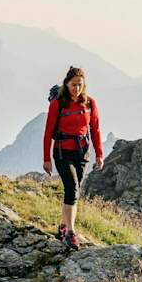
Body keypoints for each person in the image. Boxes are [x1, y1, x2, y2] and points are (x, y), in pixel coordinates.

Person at [41, 66, 104, 249]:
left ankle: (63, 225)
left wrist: (99, 154)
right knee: (72, 188)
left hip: (82, 153)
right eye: (74, 85)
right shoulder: (57, 105)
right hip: (62, 152)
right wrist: (47, 159)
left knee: (73, 192)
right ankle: (70, 232)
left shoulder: (90, 103)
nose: (77, 88)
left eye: (80, 85)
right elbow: (47, 133)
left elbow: (96, 129)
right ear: (66, 84)